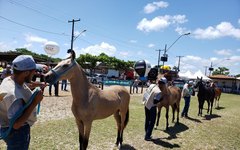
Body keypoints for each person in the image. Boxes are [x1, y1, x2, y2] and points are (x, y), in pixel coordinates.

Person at [0, 55, 45, 149]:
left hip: (6, 127)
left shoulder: (8, 80)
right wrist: (35, 102)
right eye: (34, 71)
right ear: (26, 73)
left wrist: (37, 84)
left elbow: (22, 85)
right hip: (17, 133)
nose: (35, 73)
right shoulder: (14, 96)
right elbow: (16, 124)